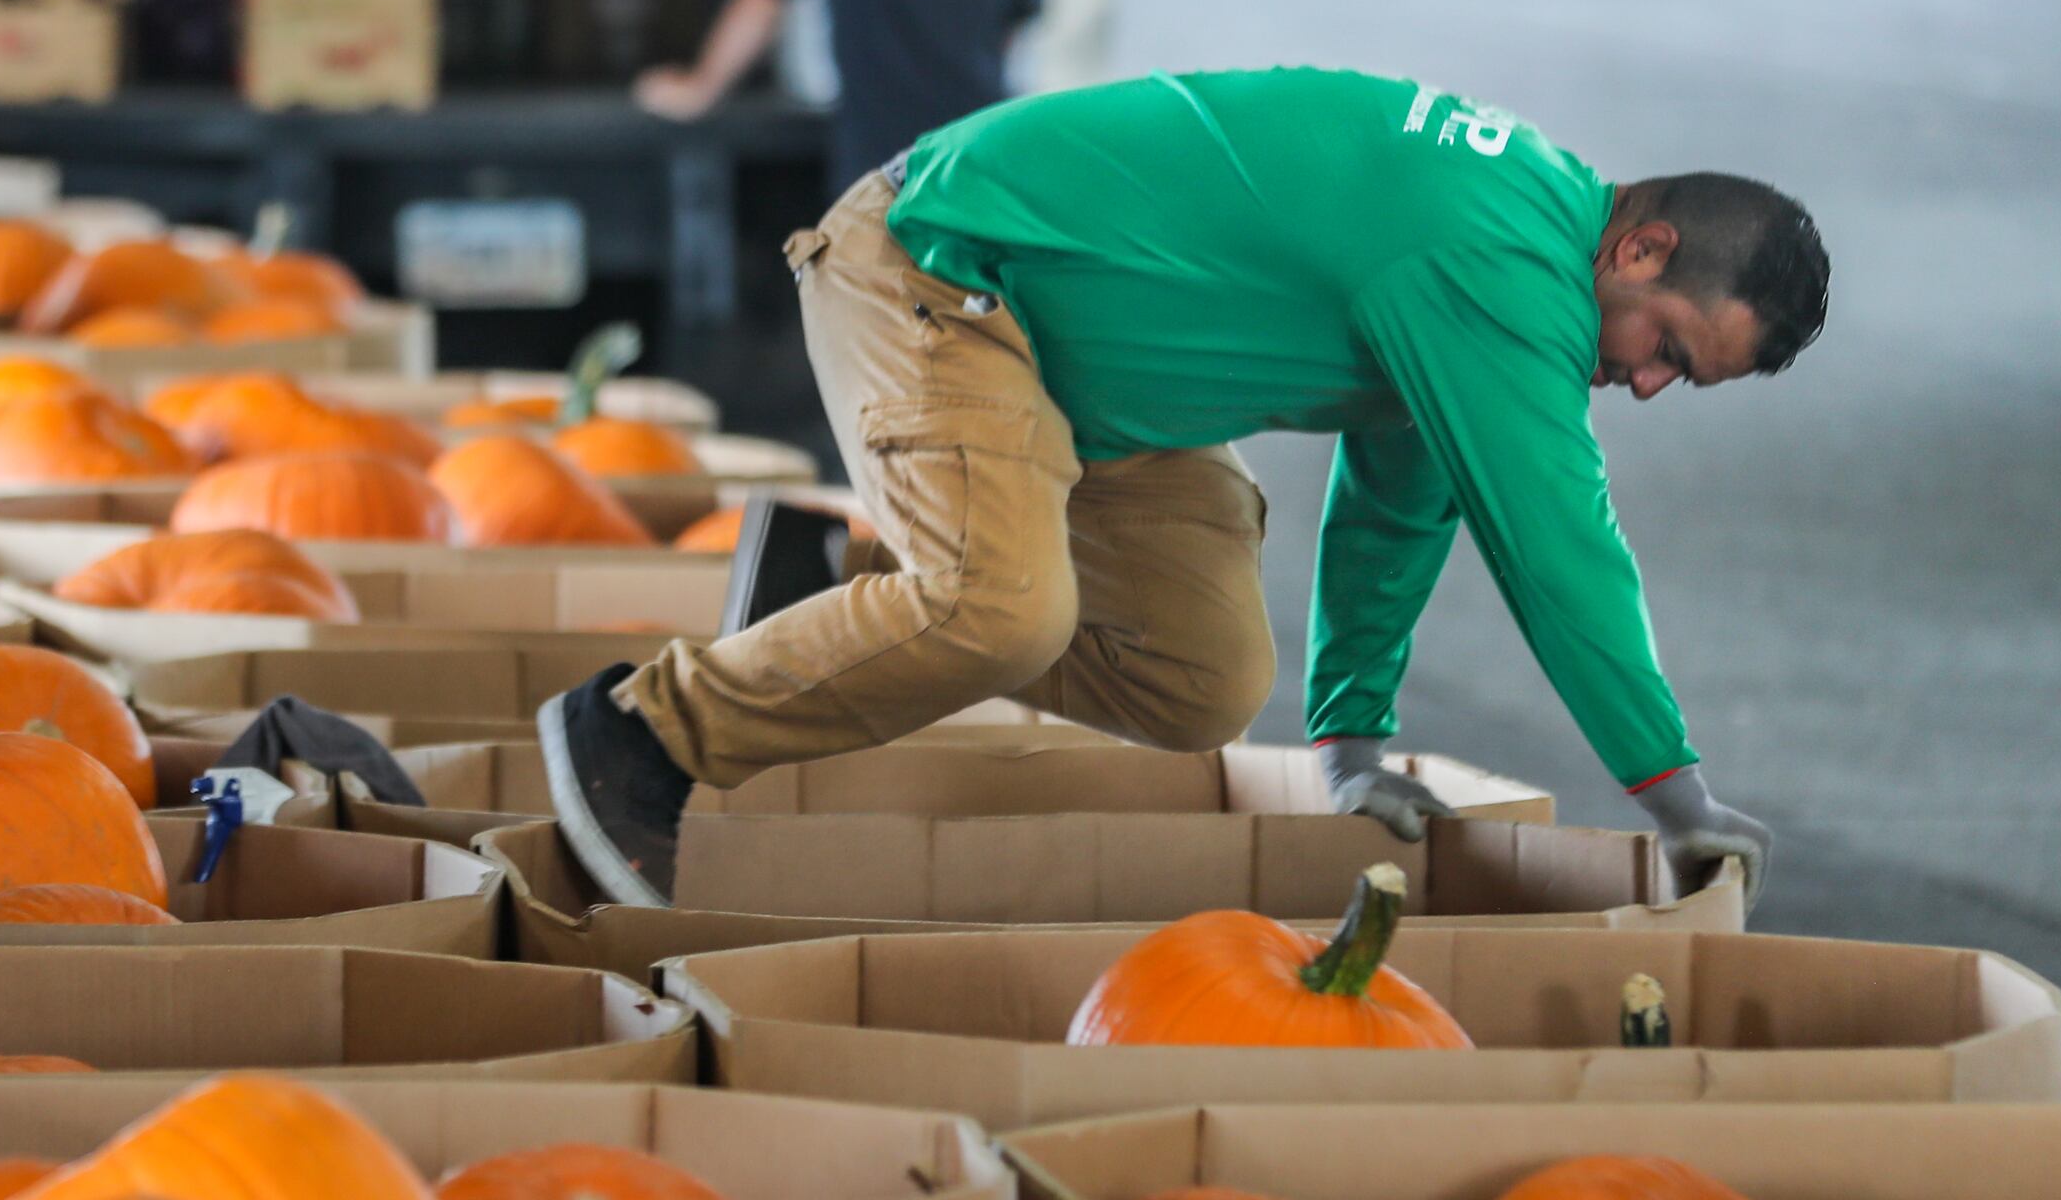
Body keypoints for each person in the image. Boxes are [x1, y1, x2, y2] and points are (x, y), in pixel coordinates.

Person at [540, 68, 1827, 908]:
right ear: (1642, 245)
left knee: (1199, 682)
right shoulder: (1499, 260)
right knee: (1002, 610)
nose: (1648, 386)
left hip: (1089, 388)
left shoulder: (1510, 258)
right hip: (939, 269)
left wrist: (1352, 740)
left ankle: (840, 586)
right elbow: (1559, 557)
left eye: (1682, 384)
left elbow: (1403, 499)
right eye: (1668, 349)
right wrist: (1678, 798)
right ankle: (641, 731)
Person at [634, 0, 1044, 191]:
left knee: (880, 326)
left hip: (884, 176)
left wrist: (700, 88)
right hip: (982, 162)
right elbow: (1011, 22)